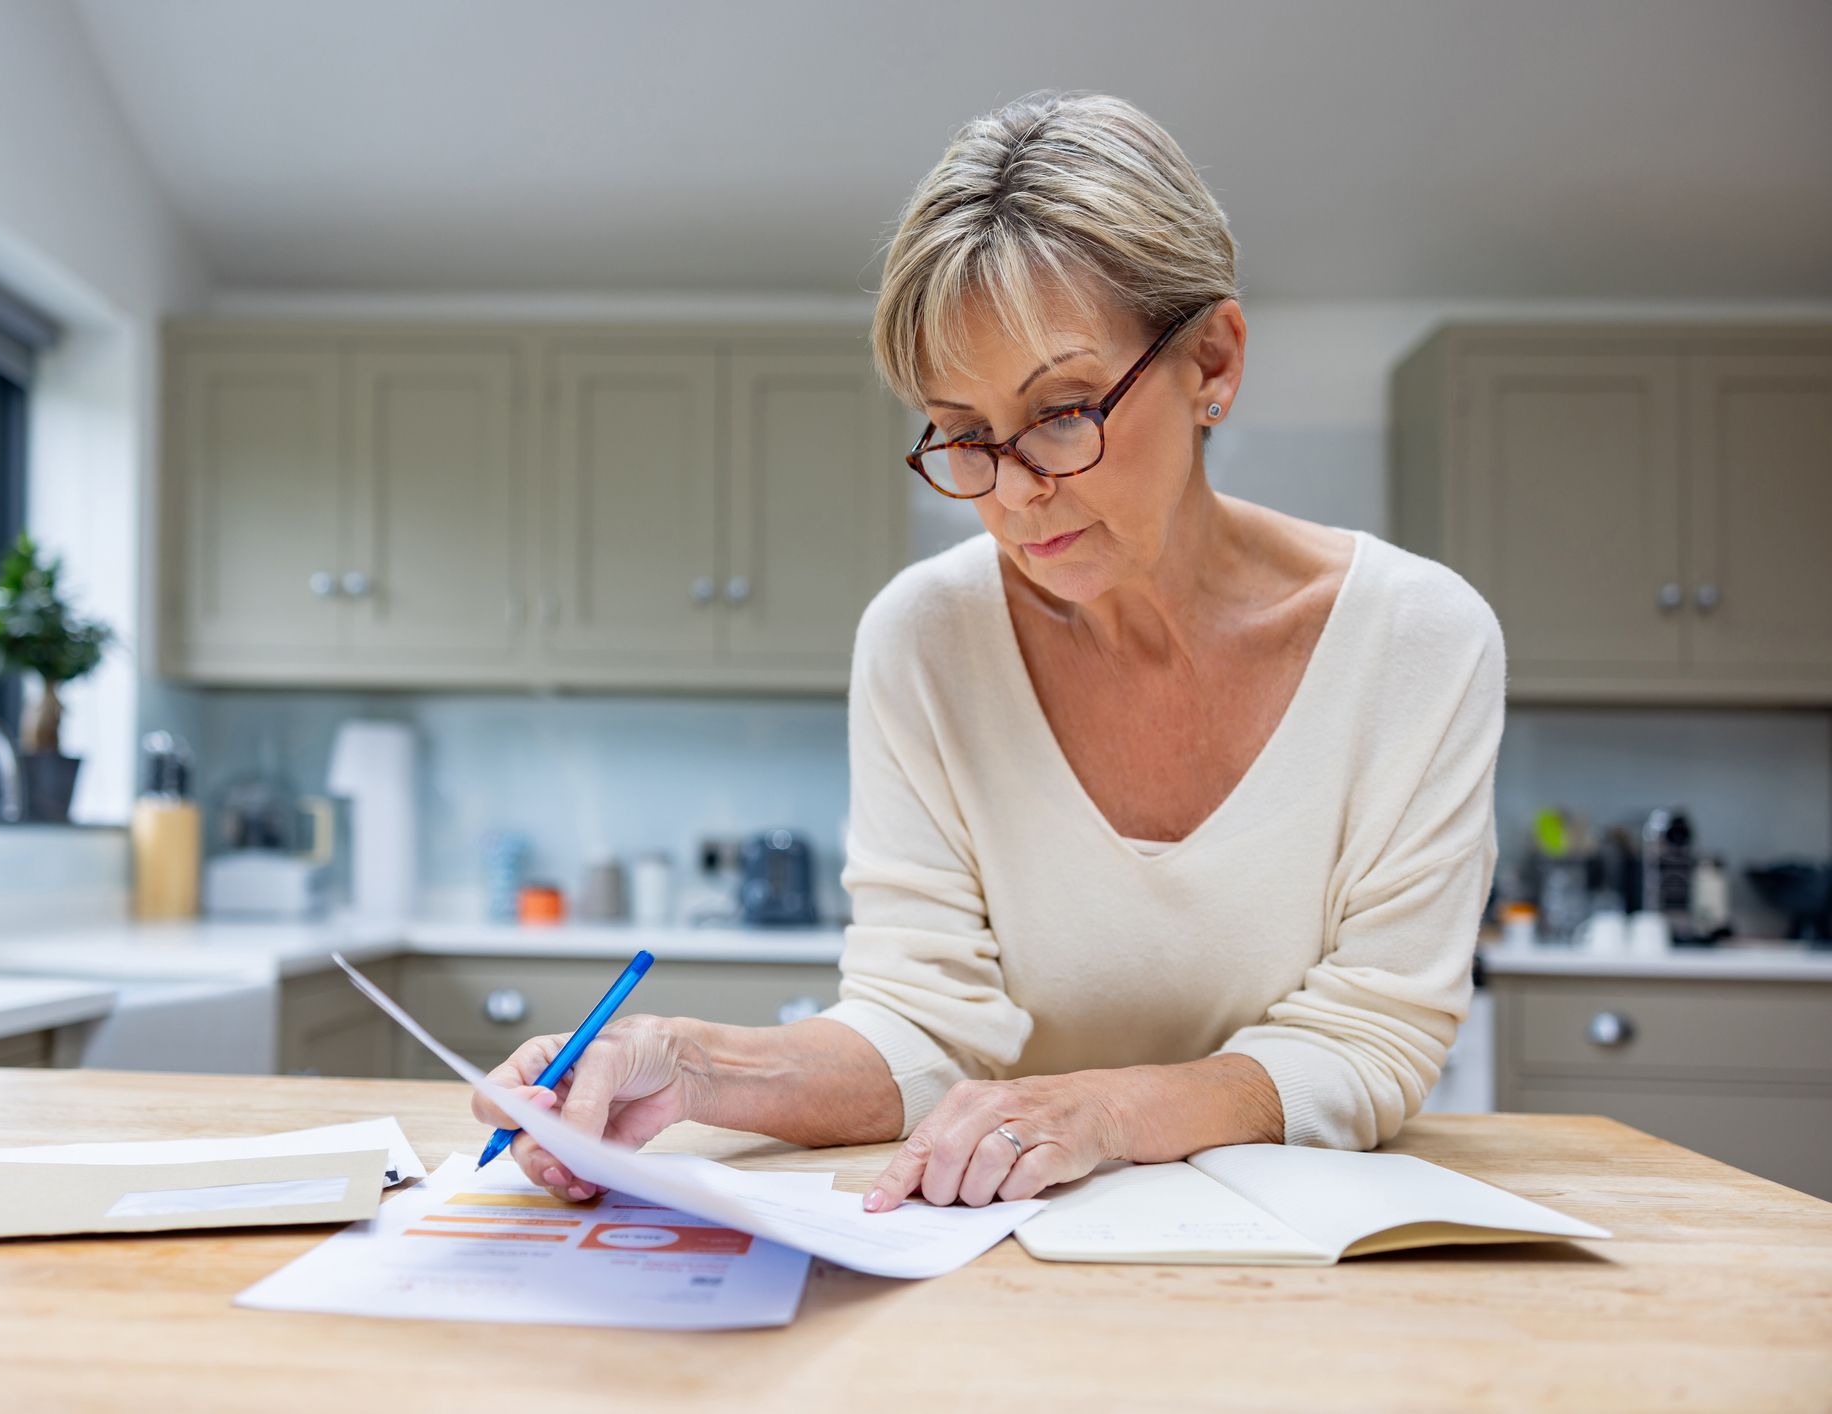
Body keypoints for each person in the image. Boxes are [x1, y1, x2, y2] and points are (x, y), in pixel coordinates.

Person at [475, 92, 1503, 1212]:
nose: (1011, 493)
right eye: (962, 432)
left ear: (1210, 359)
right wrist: (692, 1065)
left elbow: (1372, 1039)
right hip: (1005, 1241)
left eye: (1063, 410)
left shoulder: (1416, 639)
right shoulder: (921, 641)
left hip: (1304, 1254)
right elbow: (919, 1025)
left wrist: (1103, 1109)